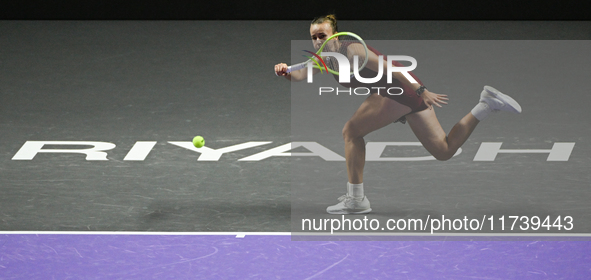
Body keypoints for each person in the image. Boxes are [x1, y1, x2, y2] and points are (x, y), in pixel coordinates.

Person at [274, 14, 522, 214]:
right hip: (387, 95)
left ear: (335, 35)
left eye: (322, 35)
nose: (318, 41)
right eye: (314, 37)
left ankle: (356, 199)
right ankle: (486, 104)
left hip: (402, 91)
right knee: (444, 151)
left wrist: (421, 90)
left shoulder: (354, 52)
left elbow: (394, 68)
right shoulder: (325, 58)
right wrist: (285, 73)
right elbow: (301, 75)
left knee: (351, 132)